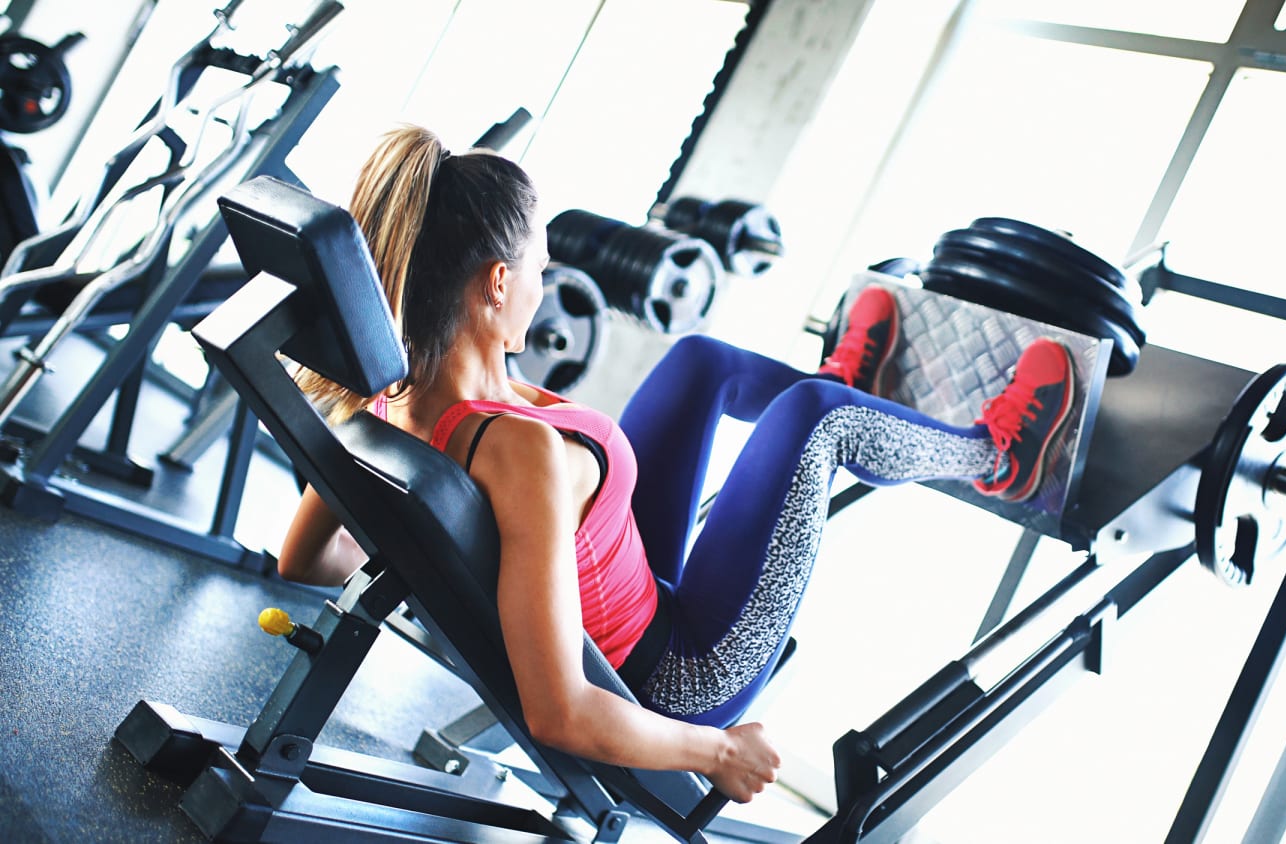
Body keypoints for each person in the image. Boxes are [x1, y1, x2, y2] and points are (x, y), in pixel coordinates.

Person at [277, 125, 1077, 804]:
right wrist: (719, 753)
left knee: (700, 360)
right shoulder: (516, 451)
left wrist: (415, 544)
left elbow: (305, 556)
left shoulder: (386, 403)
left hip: (625, 578)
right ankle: (995, 455)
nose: (547, 285)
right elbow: (560, 711)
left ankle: (842, 385)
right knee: (819, 424)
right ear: (495, 284)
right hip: (682, 673)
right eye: (542, 269)